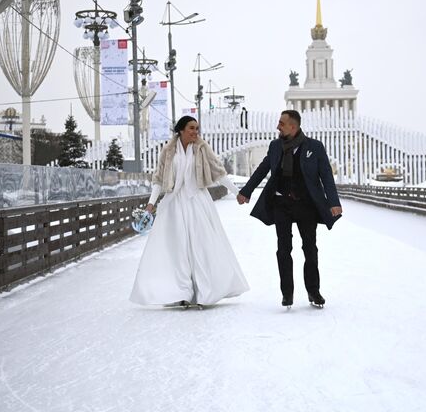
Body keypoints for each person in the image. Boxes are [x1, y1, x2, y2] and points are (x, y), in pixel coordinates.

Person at [130, 116, 249, 308]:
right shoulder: (168, 151)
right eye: (192, 128)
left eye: (197, 128)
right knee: (178, 249)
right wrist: (151, 204)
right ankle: (181, 292)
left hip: (197, 202)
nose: (196, 132)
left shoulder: (202, 148)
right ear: (181, 130)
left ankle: (205, 292)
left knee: (200, 246)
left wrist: (238, 193)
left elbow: (219, 172)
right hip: (174, 204)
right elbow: (158, 179)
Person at [237, 110, 342, 308]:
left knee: (310, 249)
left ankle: (313, 291)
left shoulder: (314, 147)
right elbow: (263, 169)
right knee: (283, 249)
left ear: (293, 127)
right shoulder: (276, 146)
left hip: (306, 205)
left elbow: (326, 175)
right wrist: (246, 191)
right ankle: (287, 293)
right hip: (281, 204)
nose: (278, 127)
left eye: (281, 124)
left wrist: (334, 202)